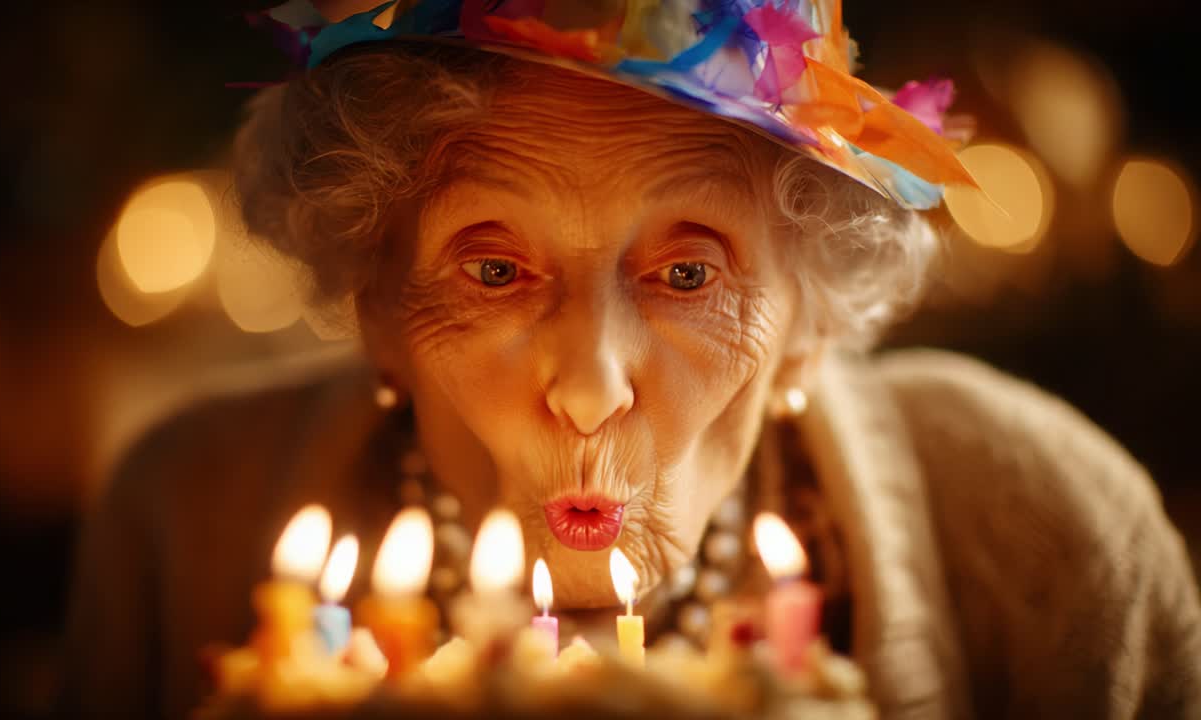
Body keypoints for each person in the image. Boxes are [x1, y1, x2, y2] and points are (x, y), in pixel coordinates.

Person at [62, 2, 1201, 718]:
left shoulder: (1045, 527)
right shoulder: (184, 518)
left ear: (805, 317)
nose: (592, 386)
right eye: (493, 270)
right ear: (379, 315)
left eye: (689, 275)